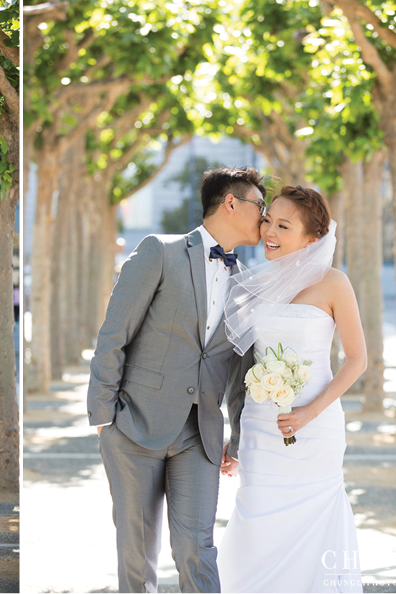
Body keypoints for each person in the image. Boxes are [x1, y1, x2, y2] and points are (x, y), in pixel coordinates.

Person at [87, 166, 265, 593]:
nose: (265, 216)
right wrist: (103, 411)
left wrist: (238, 439)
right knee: (137, 551)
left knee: (196, 548)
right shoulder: (159, 252)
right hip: (134, 426)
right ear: (231, 203)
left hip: (199, 436)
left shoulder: (246, 286)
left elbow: (243, 375)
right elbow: (115, 333)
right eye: (260, 206)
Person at [218, 185, 365, 593]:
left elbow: (357, 360)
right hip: (262, 429)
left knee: (314, 524)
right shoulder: (251, 284)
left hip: (316, 430)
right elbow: (237, 366)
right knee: (256, 520)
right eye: (268, 220)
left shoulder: (334, 283)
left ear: (312, 239)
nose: (269, 230)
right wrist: (236, 435)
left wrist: (308, 412)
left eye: (283, 225)